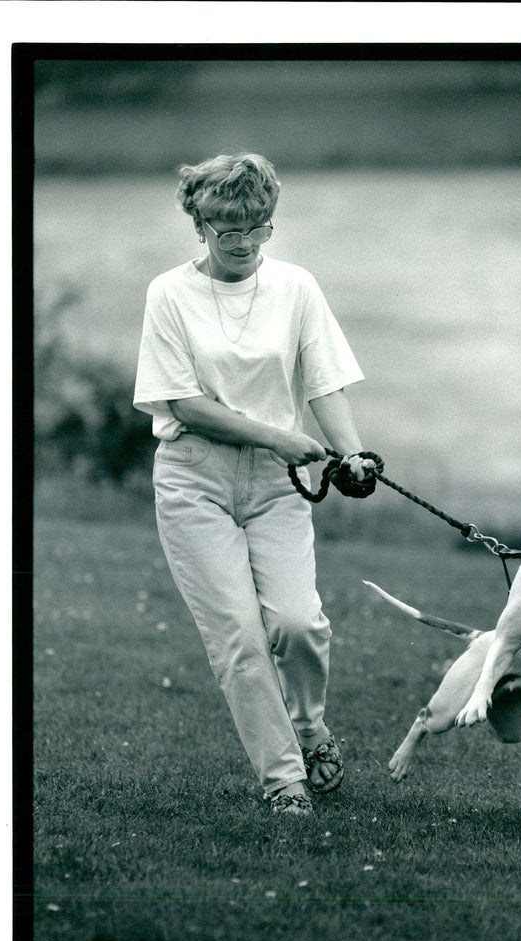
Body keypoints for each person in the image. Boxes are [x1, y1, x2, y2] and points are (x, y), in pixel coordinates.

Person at [133, 152, 376, 816]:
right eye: (225, 230)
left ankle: (308, 729)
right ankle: (284, 782)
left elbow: (323, 380)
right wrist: (279, 436)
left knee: (299, 624)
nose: (241, 243)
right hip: (193, 481)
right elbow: (180, 402)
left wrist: (352, 456)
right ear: (201, 225)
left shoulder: (296, 288)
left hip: (276, 484)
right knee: (239, 636)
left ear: (270, 223)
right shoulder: (169, 294)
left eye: (256, 227)